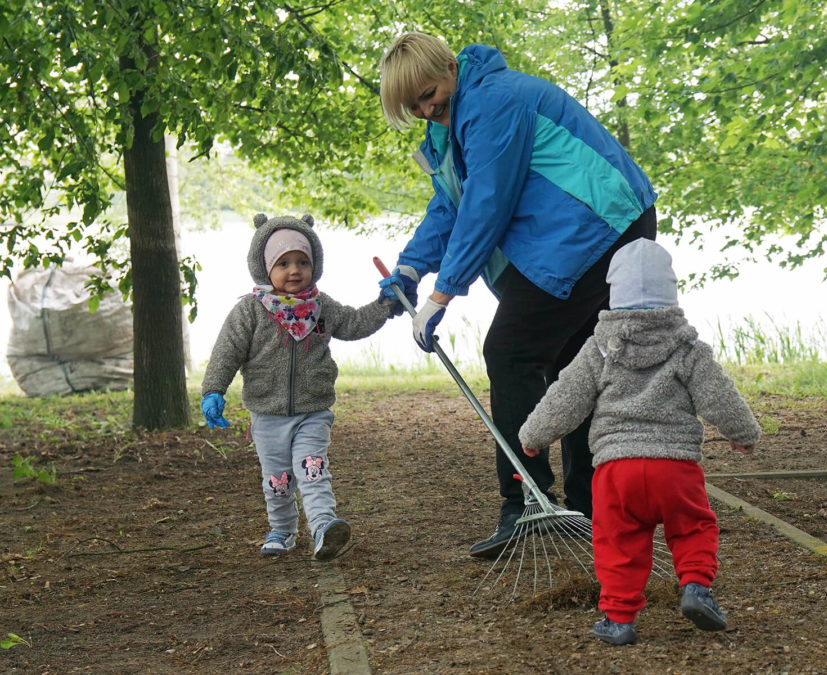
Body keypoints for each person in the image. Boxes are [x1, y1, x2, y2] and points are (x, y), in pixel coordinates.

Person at [376, 32, 658, 559]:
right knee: (575, 360)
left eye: (428, 92)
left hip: (604, 224)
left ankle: (528, 501)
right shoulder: (448, 131)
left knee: (510, 350)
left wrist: (441, 295)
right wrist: (411, 267)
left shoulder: (492, 101)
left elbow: (488, 203)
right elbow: (450, 207)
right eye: (412, 105)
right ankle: (591, 507)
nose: (424, 108)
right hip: (583, 232)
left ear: (450, 68)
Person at [518, 239, 762, 645]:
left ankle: (619, 619)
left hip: (617, 470)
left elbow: (566, 397)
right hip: (675, 468)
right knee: (693, 527)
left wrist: (534, 435)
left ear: (614, 295)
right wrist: (744, 434)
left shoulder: (599, 348)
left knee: (618, 541)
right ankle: (697, 587)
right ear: (672, 292)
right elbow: (719, 394)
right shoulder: (688, 348)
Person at [200, 213, 410, 560]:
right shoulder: (251, 311)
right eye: (283, 264)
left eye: (302, 262)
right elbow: (226, 352)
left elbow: (355, 323)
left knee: (313, 470)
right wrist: (213, 390)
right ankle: (282, 530)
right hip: (267, 414)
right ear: (265, 268)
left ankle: (323, 528)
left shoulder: (321, 306)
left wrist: (385, 305)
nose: (294, 270)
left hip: (313, 410)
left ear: (315, 264)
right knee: (278, 481)